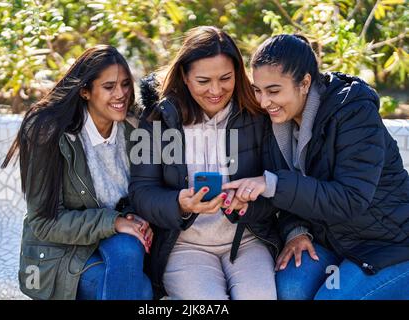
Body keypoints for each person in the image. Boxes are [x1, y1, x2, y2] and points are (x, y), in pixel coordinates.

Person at [223, 34, 409, 300]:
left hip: (388, 245)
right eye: (258, 90)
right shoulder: (277, 122)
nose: (264, 102)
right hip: (331, 240)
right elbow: (287, 198)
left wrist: (273, 184)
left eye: (274, 91)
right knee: (290, 289)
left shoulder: (354, 112)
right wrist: (294, 230)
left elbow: (351, 199)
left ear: (305, 83)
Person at [129, 26, 281, 300]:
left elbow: (278, 183)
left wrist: (248, 202)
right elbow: (141, 192)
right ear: (185, 77)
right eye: (203, 81)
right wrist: (179, 204)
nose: (215, 90)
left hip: (248, 239)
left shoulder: (258, 115)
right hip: (185, 245)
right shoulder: (156, 119)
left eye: (225, 78)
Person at [2, 45, 154, 300]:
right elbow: (43, 222)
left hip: (120, 240)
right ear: (85, 91)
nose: (121, 94)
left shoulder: (135, 126)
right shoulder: (48, 132)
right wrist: (112, 222)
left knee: (129, 250)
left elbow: (148, 187)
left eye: (126, 84)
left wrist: (140, 220)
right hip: (64, 250)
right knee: (141, 290)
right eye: (109, 87)